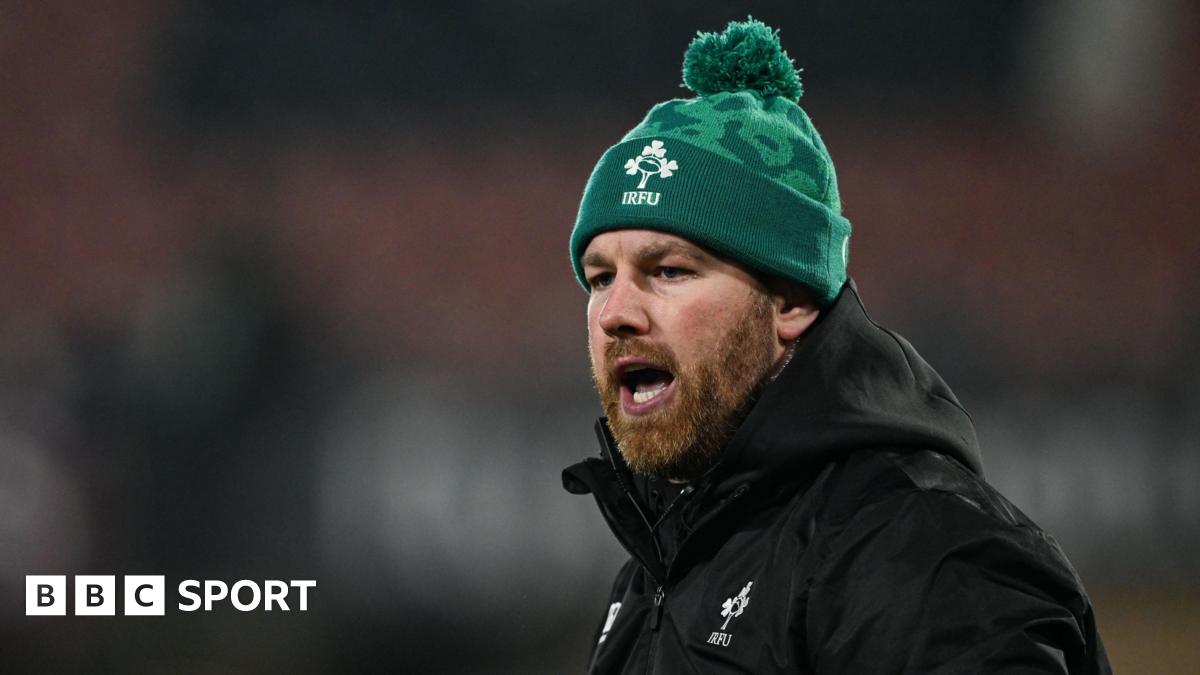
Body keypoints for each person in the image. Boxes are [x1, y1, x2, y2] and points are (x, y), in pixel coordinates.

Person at [561, 18, 1111, 674]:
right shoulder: (653, 573)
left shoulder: (920, 550)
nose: (615, 313)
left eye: (670, 270)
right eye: (600, 277)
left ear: (791, 300)